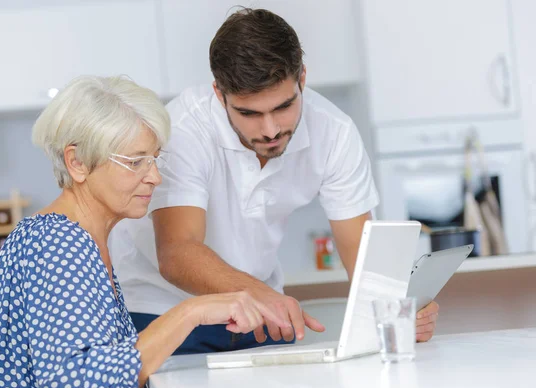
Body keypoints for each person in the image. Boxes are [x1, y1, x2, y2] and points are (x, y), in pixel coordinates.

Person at [110, 8, 439, 355]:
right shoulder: (182, 130)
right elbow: (178, 251)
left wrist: (398, 310)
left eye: (283, 107)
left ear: (302, 80)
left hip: (259, 317)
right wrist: (263, 295)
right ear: (219, 95)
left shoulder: (335, 132)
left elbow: (361, 251)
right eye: (249, 113)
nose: (270, 130)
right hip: (163, 313)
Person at [0, 75, 287, 388]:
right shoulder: (59, 244)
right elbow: (80, 385)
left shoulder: (71, 238)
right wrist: (193, 311)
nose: (155, 177)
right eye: (135, 162)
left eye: (155, 159)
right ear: (76, 163)